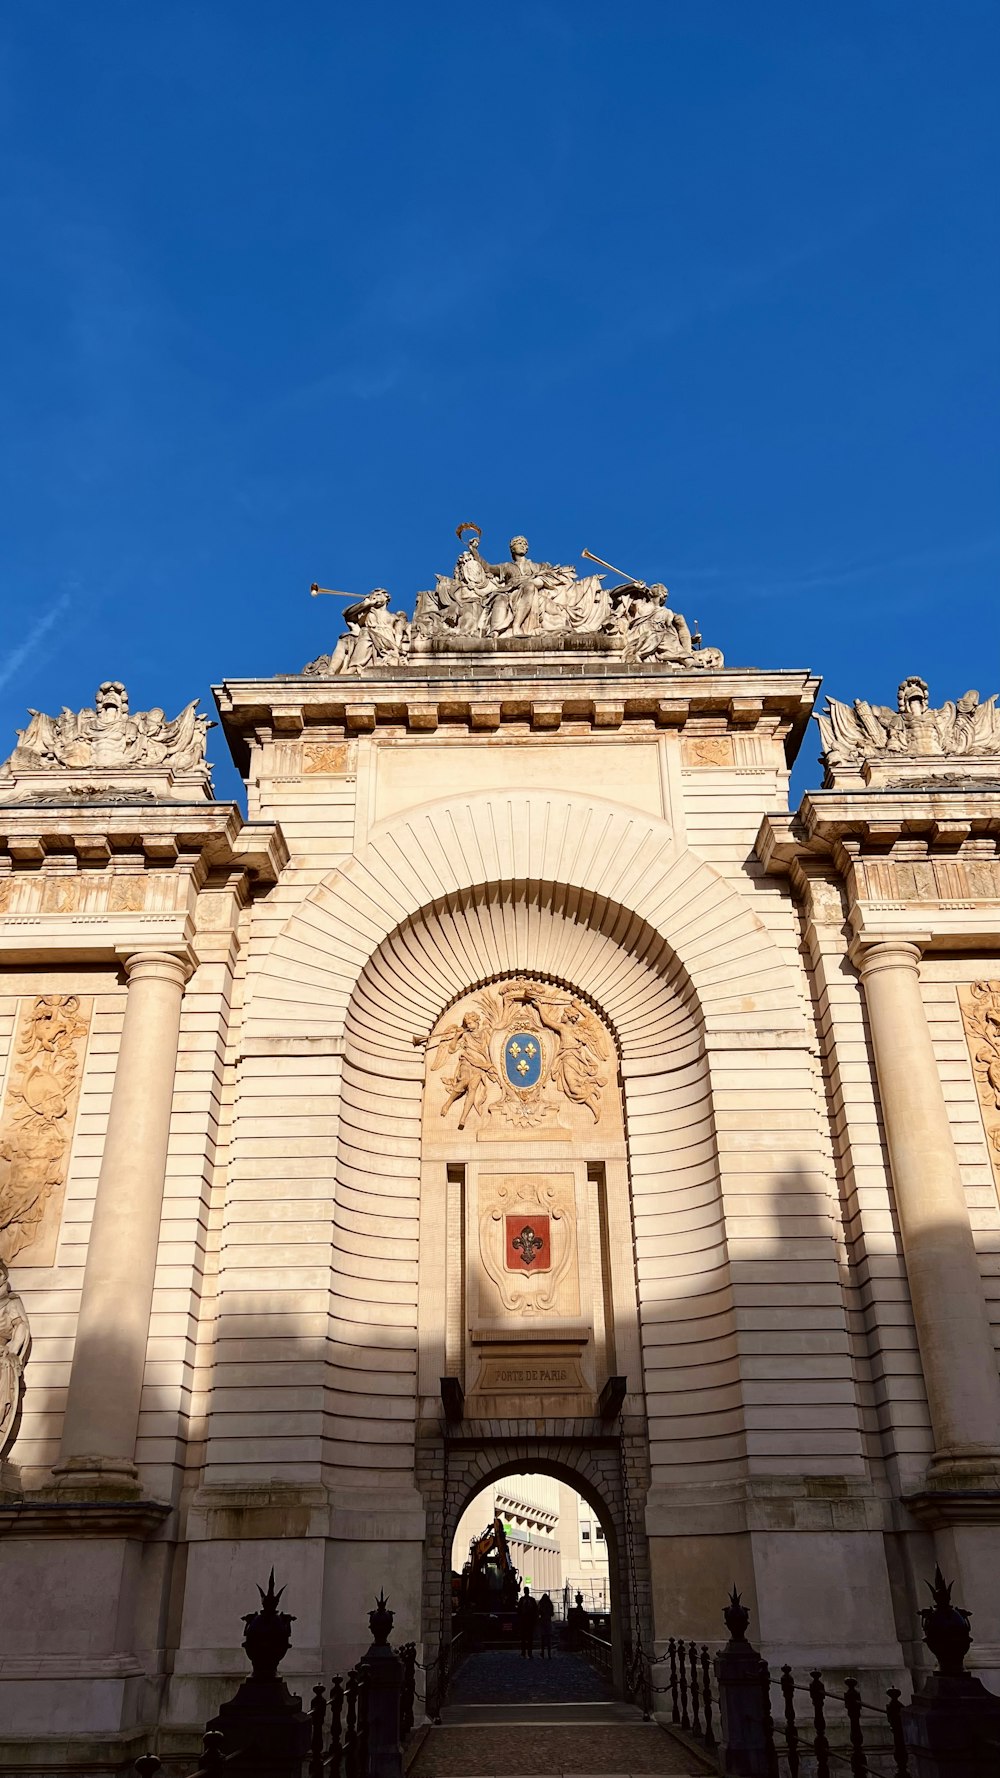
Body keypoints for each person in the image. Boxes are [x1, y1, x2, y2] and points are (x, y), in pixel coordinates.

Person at [515, 1586, 540, 1659]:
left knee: (528, 1638)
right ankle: (525, 1652)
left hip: (528, 1621)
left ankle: (528, 1652)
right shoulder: (528, 1600)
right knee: (525, 1638)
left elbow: (535, 1610)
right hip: (525, 1620)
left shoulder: (527, 1600)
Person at [538, 1592, 555, 1659]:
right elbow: (552, 1614)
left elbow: (538, 1612)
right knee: (548, 1639)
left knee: (543, 1639)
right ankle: (549, 1653)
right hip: (548, 1621)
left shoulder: (541, 1604)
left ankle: (542, 1652)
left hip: (542, 1621)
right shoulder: (550, 1604)